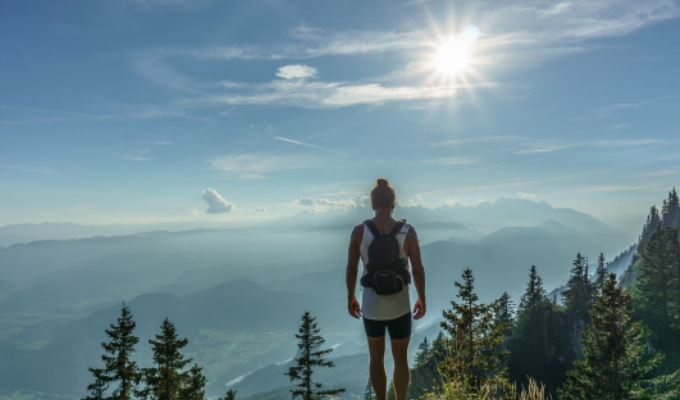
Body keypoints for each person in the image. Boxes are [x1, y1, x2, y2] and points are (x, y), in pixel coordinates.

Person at [346, 178, 426, 400]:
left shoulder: (359, 232)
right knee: (401, 360)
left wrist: (351, 296)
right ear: (394, 204)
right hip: (400, 306)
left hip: (371, 307)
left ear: (372, 204)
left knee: (376, 359)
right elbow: (418, 270)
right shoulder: (408, 231)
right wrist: (422, 298)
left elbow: (352, 268)